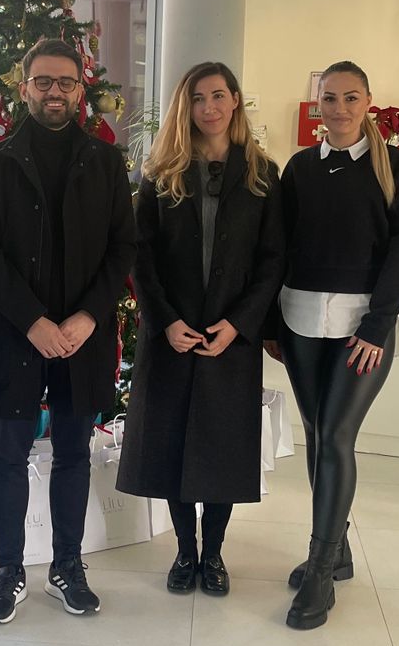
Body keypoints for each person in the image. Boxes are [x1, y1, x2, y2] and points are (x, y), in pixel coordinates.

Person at [0, 37, 136, 623]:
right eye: (43, 81)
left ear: (80, 89)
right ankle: (9, 571)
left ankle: (67, 566)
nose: (54, 91)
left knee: (73, 456)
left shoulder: (106, 161)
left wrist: (87, 316)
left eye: (65, 81)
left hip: (82, 335)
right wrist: (33, 321)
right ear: (25, 89)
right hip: (15, 333)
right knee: (8, 456)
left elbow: (122, 248)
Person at [117, 62, 284, 596]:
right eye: (197, 98)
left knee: (222, 447)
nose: (208, 107)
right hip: (174, 331)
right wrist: (164, 320)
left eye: (218, 95)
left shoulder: (263, 174)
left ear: (235, 100)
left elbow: (273, 261)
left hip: (230, 335)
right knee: (172, 445)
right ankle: (184, 552)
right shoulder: (161, 172)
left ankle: (213, 554)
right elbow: (140, 256)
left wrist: (240, 324)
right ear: (184, 107)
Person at [267, 61, 399, 631]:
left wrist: (378, 325)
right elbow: (278, 248)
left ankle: (320, 570)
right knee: (316, 435)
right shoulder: (300, 168)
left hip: (364, 326)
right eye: (329, 98)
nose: (339, 108)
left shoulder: (393, 167)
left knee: (335, 435)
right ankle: (339, 550)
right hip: (301, 318)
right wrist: (269, 323)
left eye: (350, 97)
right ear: (318, 104)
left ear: (368, 101)